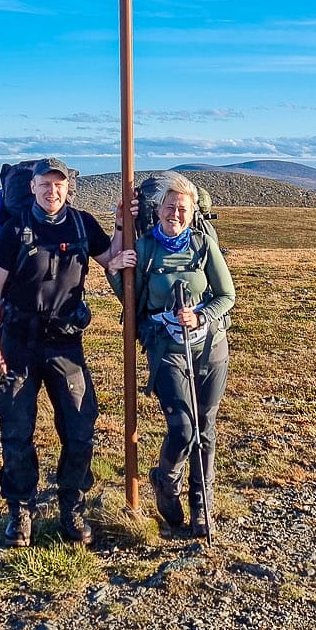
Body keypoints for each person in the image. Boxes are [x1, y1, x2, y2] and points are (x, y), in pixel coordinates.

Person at [0, 157, 135, 548]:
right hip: (17, 343)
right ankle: (20, 511)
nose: (53, 191)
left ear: (69, 188)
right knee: (16, 432)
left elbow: (109, 259)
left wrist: (120, 225)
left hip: (66, 344)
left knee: (80, 428)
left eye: (59, 185)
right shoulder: (15, 228)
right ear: (32, 187)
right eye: (45, 185)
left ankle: (72, 506)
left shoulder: (82, 223)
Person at [114, 172, 235, 536]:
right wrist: (115, 268)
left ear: (192, 210)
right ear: (159, 210)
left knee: (206, 428)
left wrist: (199, 314)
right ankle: (165, 482)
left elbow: (226, 295)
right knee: (183, 428)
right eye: (169, 207)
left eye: (182, 208)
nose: (176, 214)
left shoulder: (202, 245)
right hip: (166, 347)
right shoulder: (146, 247)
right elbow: (128, 295)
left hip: (210, 346)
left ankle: (202, 508)